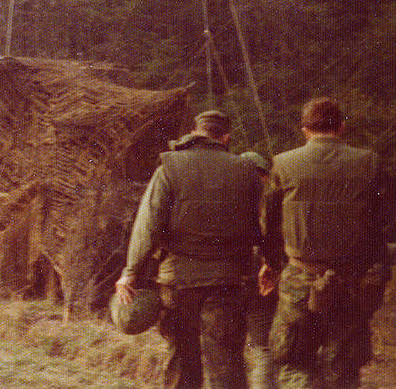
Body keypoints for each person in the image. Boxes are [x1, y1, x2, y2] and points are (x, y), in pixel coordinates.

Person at [115, 109, 263, 388]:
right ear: (226, 138)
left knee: (182, 359)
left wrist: (130, 271)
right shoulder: (247, 171)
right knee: (227, 361)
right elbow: (263, 224)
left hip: (178, 282)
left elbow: (148, 224)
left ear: (195, 133)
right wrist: (270, 264)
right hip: (227, 281)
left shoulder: (169, 167)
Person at [260, 97, 392, 387]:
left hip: (299, 277)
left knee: (294, 359)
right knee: (343, 366)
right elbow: (385, 220)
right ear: (341, 126)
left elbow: (270, 225)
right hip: (352, 279)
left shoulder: (283, 163)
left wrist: (270, 264)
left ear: (305, 130)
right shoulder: (369, 162)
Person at [239, 151, 277, 389]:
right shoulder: (273, 200)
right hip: (263, 282)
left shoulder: (225, 197)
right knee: (263, 347)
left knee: (225, 349)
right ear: (264, 175)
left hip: (229, 279)